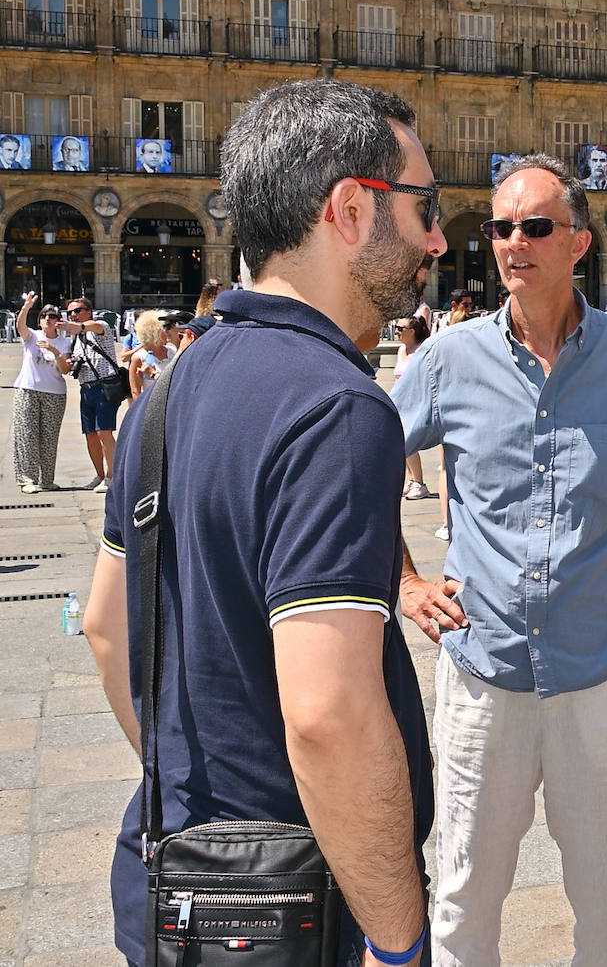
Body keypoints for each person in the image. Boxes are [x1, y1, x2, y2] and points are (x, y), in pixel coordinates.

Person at [82, 78, 440, 967]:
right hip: (296, 909)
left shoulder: (168, 393)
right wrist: (396, 943)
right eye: (425, 206)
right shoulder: (338, 410)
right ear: (351, 209)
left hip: (174, 885)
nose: (437, 238)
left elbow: (101, 625)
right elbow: (330, 715)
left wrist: (204, 794)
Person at [390, 152, 607, 967]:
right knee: (463, 897)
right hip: (485, 675)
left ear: (579, 243)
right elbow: (364, 459)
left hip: (603, 675)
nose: (514, 243)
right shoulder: (449, 360)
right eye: (502, 228)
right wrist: (404, 580)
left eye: (536, 227)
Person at [11, 295, 72, 493]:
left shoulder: (64, 343)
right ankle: (27, 479)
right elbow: (20, 326)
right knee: (26, 434)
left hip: (54, 393)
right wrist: (26, 307)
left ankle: (46, 479)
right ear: (39, 320)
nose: (48, 319)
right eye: (44, 315)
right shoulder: (33, 336)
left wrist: (55, 352)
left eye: (52, 316)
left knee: (49, 438)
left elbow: (65, 370)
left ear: (58, 321)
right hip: (27, 389)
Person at [60, 296, 120, 491]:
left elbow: (94, 326)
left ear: (88, 311)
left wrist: (79, 327)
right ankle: (100, 475)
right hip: (86, 389)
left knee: (104, 432)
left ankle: (113, 476)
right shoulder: (74, 337)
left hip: (104, 386)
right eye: (70, 312)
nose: (73, 315)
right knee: (90, 435)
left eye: (77, 311)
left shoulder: (99, 325)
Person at [393, 313, 431, 500]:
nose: (396, 331)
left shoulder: (421, 351)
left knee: (409, 442)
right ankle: (411, 479)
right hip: (400, 401)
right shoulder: (402, 349)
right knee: (402, 442)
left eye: (400, 329)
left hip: (415, 401)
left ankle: (420, 483)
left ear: (411, 331)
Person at [128, 309, 178, 400]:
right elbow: (135, 392)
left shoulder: (173, 352)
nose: (168, 331)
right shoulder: (139, 357)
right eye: (164, 328)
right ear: (153, 333)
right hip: (151, 406)